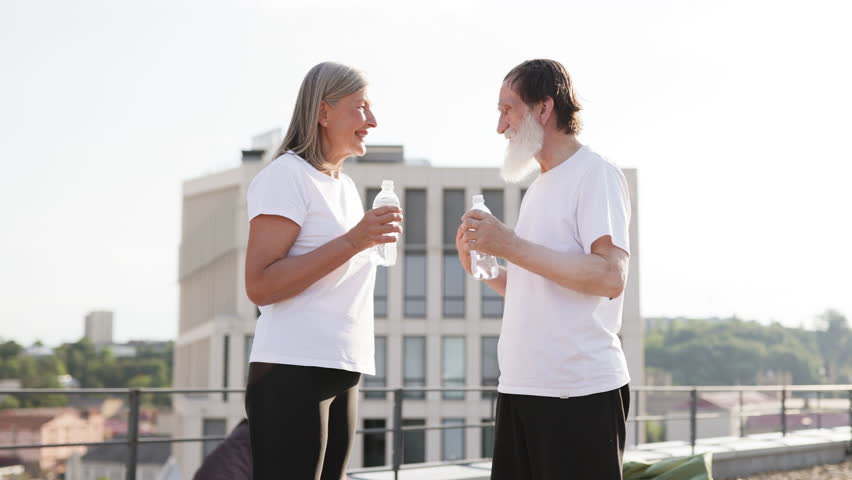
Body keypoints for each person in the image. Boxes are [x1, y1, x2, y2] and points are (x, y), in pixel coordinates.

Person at [457, 59, 632, 480]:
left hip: (578, 391)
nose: (501, 126)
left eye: (507, 109)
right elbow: (538, 287)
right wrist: (484, 267)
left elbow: (610, 277)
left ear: (543, 108)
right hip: (522, 388)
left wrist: (510, 245)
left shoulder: (595, 173)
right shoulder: (539, 186)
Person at [243, 62, 402, 480]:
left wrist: (363, 241)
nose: (372, 121)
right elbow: (259, 284)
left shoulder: (345, 188)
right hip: (291, 372)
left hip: (341, 368)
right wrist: (354, 240)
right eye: (361, 108)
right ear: (323, 112)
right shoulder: (285, 177)